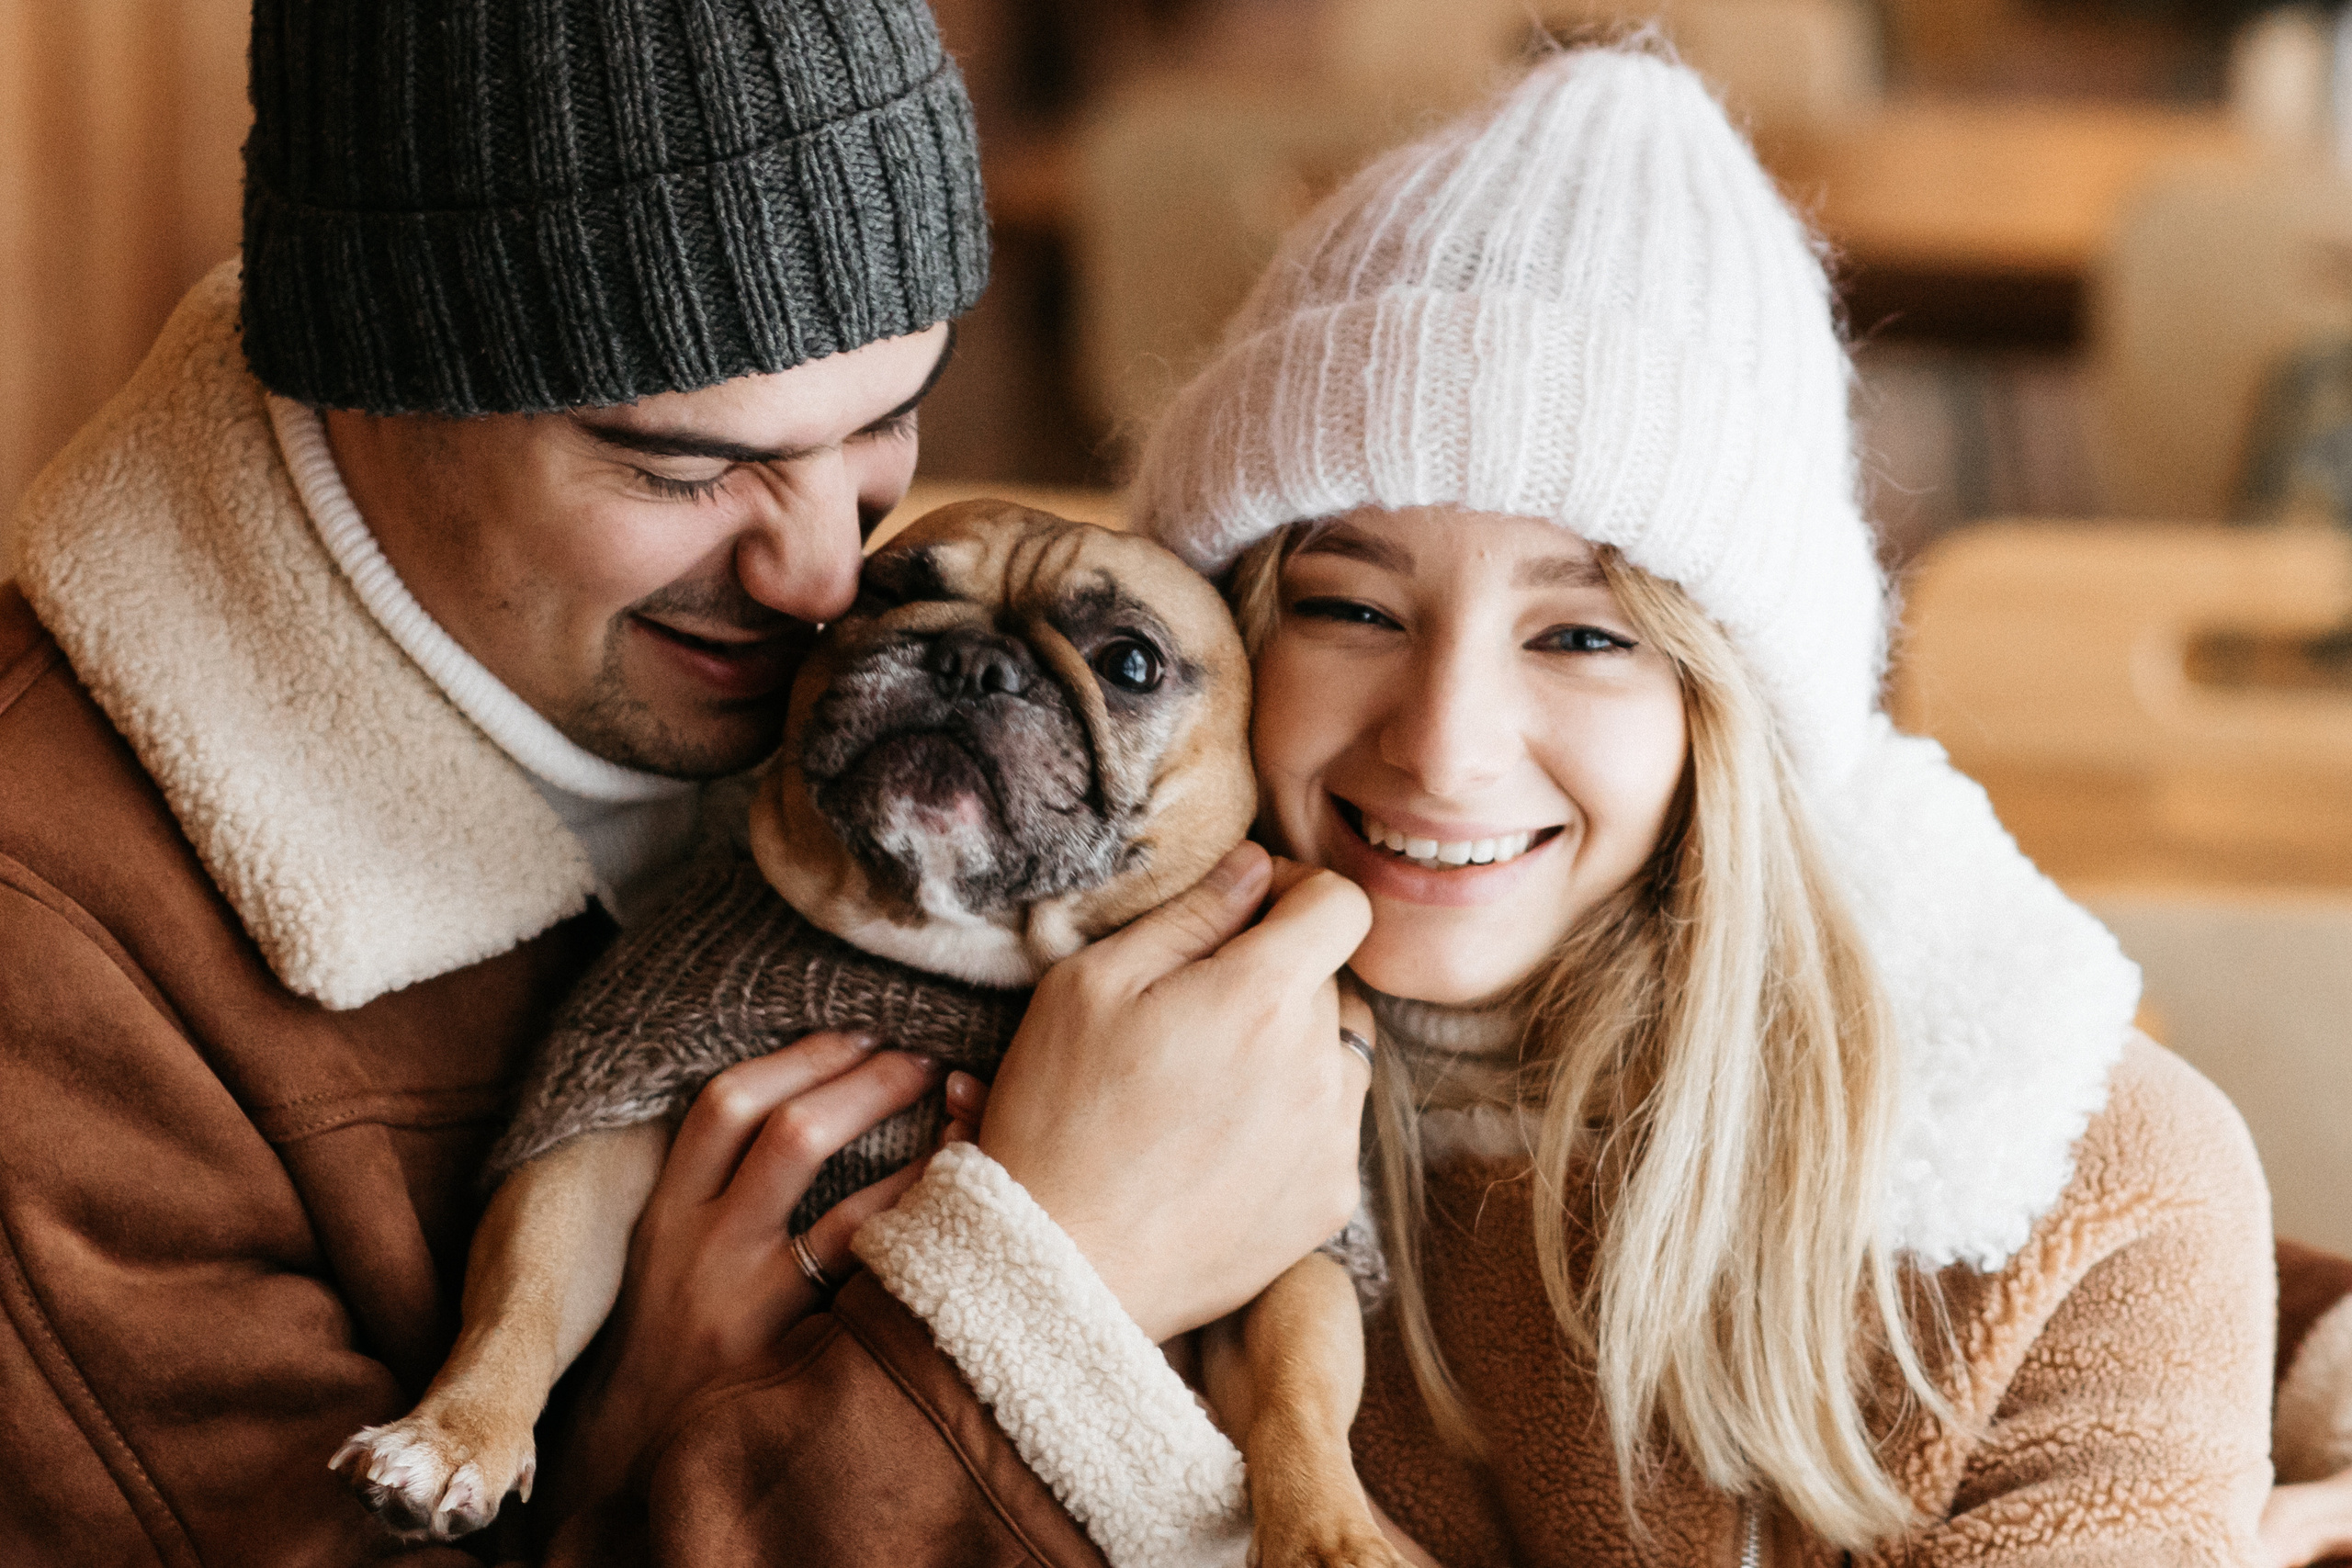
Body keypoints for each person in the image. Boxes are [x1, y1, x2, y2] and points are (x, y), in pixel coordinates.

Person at [773, 45, 2292, 1566]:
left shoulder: (2068, 1196)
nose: (1444, 746)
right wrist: (1040, 1265)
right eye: (1351, 609)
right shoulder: (949, 1073)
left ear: (1733, 709)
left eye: (1584, 636)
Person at [0, 1, 1371, 1560]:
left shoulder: (883, 711)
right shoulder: (48, 955)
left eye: (881, 425)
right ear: (379, 385)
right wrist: (1046, 1293)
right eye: (684, 466)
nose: (821, 577)